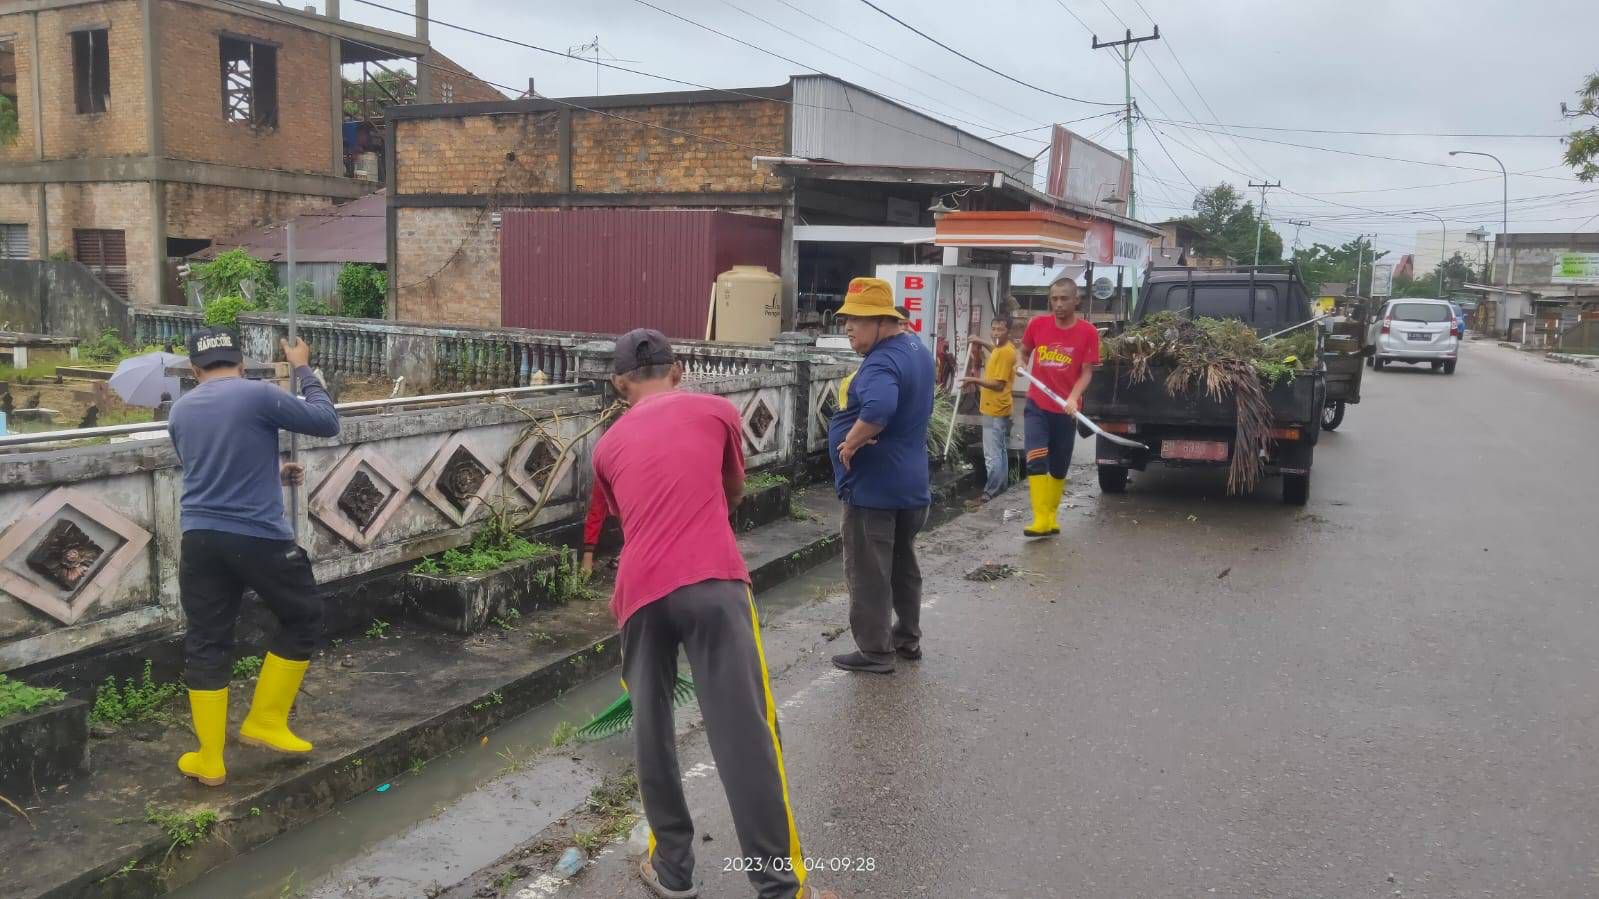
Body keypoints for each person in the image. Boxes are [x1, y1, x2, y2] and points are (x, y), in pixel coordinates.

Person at [591, 329, 836, 899]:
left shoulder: (605, 446)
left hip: (639, 593)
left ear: (618, 383)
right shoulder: (717, 412)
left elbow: (632, 520)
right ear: (677, 371)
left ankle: (673, 872)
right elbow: (732, 493)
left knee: (653, 733)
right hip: (712, 579)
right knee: (746, 733)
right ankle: (781, 888)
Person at [166, 328, 341, 787]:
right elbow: (326, 421)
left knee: (207, 638)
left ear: (194, 370)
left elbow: (207, 466)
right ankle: (264, 720)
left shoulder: (181, 409)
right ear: (240, 364)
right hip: (257, 536)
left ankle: (209, 758)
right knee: (302, 616)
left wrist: (274, 470)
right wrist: (302, 366)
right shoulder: (257, 393)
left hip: (200, 538)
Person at [828, 277, 935, 675]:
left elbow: (879, 409)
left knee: (870, 571)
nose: (849, 328)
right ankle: (907, 638)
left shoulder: (880, 362)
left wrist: (851, 443)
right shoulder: (917, 350)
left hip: (875, 489)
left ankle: (875, 650)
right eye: (846, 320)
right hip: (911, 483)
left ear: (880, 321)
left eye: (856, 320)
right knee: (903, 564)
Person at [1018, 276, 1100, 538]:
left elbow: (1086, 373)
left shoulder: (1088, 332)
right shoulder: (1037, 324)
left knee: (1059, 465)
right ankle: (1040, 517)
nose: (1058, 304)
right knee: (1036, 456)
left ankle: (1051, 516)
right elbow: (1024, 351)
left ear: (1076, 300)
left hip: (1066, 409)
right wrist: (1020, 363)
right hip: (1037, 403)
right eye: (1054, 299)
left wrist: (1074, 398)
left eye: (1064, 298)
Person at [966, 316, 1019, 502]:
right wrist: (981, 341)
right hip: (996, 408)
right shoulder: (1002, 348)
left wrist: (973, 380)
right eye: (993, 329)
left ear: (1009, 332)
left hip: (994, 410)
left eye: (1000, 330)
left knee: (992, 453)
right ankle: (1000, 488)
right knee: (1000, 450)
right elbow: (994, 349)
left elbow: (997, 384)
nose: (996, 333)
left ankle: (991, 492)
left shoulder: (1005, 353)